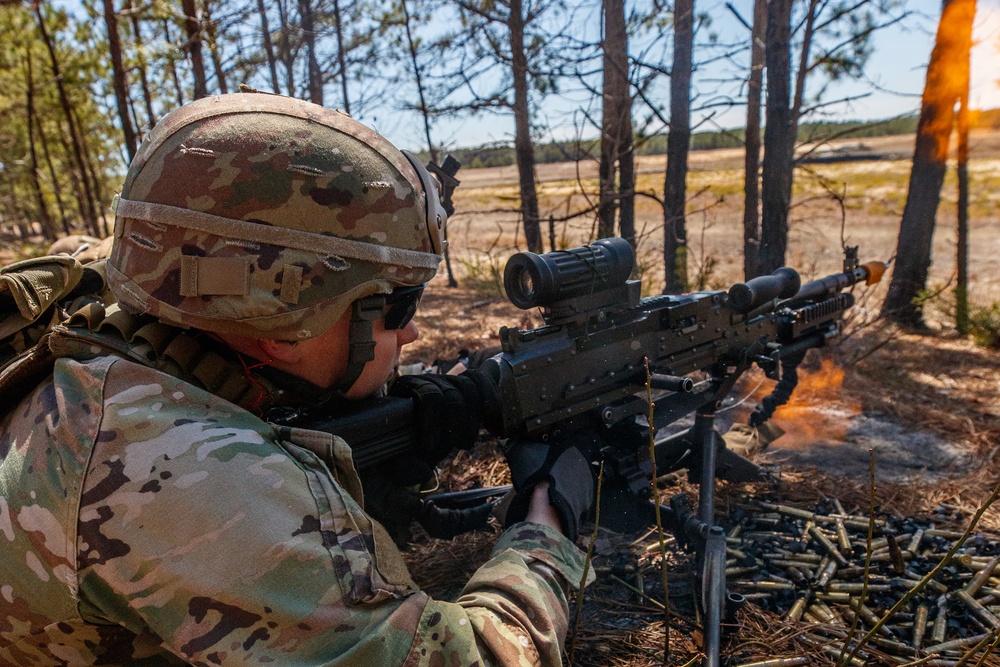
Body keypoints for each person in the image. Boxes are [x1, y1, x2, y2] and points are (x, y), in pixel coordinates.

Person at [0, 92, 594, 666]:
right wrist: (546, 522)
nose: (411, 336)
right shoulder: (178, 469)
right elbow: (474, 659)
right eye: (401, 306)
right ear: (285, 325)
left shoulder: (147, 297)